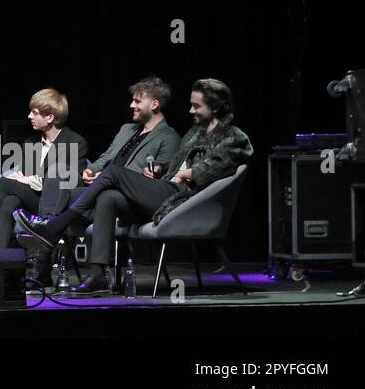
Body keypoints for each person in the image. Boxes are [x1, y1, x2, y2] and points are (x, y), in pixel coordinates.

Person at [15, 78, 254, 294]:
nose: (190, 110)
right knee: (108, 197)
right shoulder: (193, 133)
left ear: (215, 108)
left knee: (113, 173)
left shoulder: (233, 136)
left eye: (196, 106)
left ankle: (53, 227)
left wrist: (189, 172)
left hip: (180, 199)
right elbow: (167, 169)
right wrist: (161, 172)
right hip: (163, 191)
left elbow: (229, 159)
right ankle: (98, 274)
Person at [0, 88, 88, 282]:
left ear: (51, 117)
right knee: (9, 201)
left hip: (58, 207)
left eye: (35, 113)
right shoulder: (31, 143)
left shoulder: (75, 142)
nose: (29, 116)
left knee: (2, 183)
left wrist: (30, 180)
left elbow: (72, 180)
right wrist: (25, 179)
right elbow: (26, 176)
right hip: (34, 201)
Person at [81, 76, 181, 184]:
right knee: (67, 181)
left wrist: (105, 177)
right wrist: (91, 170)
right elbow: (106, 157)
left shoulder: (169, 137)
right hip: (102, 182)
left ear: (154, 104)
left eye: (137, 101)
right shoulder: (126, 129)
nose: (131, 105)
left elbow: (159, 172)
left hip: (125, 189)